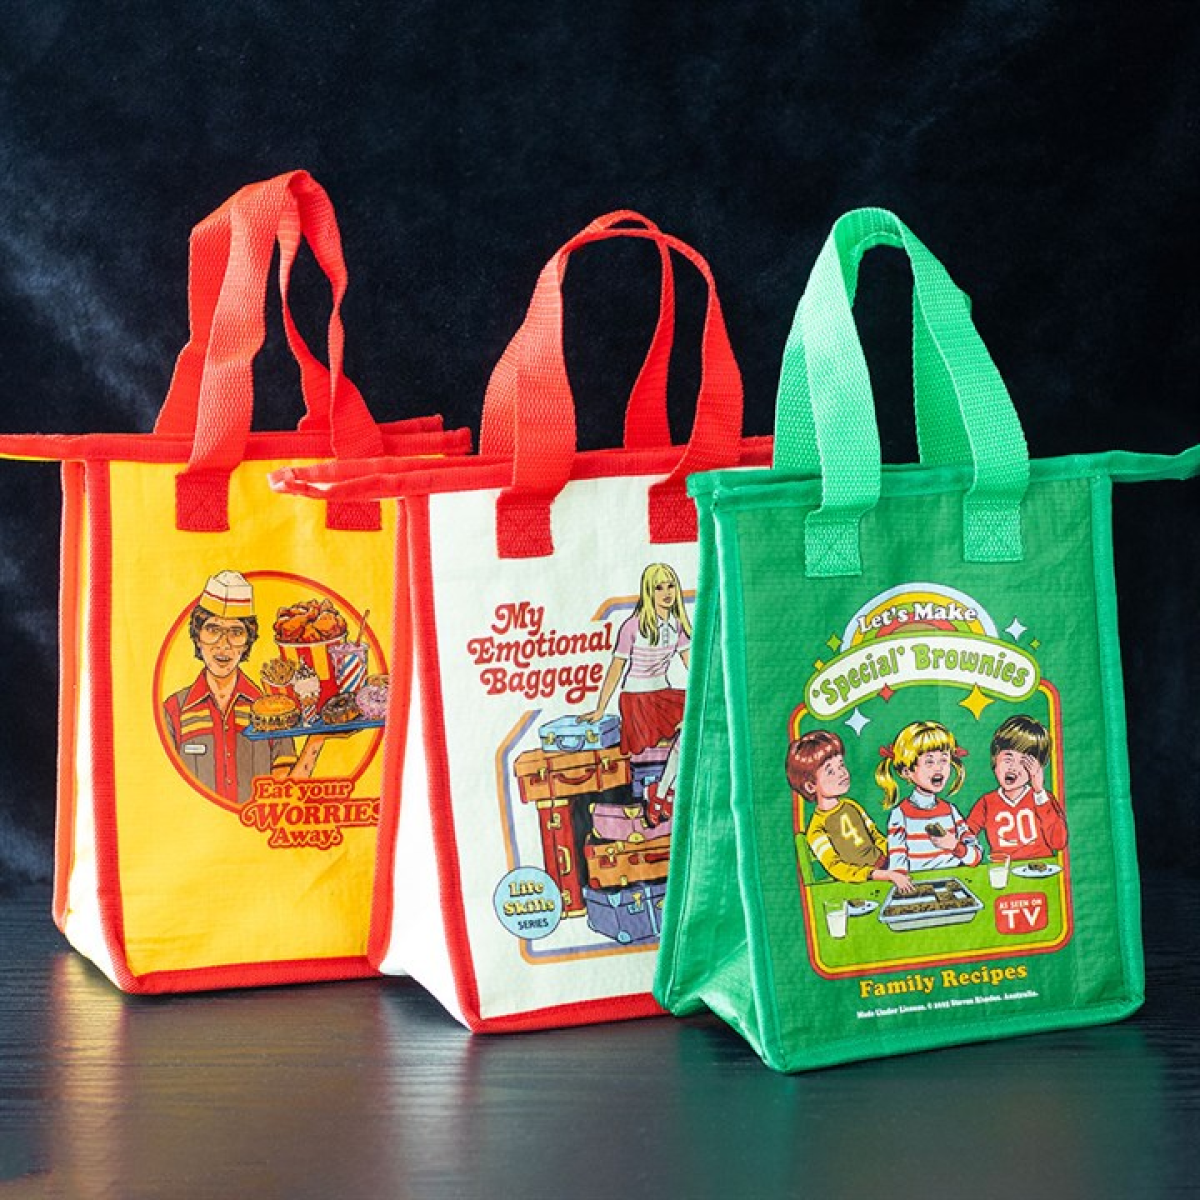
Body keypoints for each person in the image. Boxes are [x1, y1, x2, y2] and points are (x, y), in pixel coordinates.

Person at [162, 570, 324, 805]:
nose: (223, 645)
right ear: (197, 636)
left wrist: (317, 739)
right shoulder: (173, 710)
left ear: (248, 641)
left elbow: (287, 794)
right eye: (213, 630)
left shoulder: (271, 713)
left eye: (236, 632)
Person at [584, 563, 691, 757]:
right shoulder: (633, 626)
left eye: (670, 586)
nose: (666, 592)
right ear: (649, 592)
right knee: (684, 724)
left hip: (662, 694)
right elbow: (616, 669)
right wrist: (600, 709)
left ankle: (676, 769)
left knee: (702, 709)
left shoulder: (678, 625)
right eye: (659, 588)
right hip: (637, 700)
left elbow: (692, 666)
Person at [786, 729, 914, 892]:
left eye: (841, 765)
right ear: (811, 786)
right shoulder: (816, 829)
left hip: (887, 866)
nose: (842, 773)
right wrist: (879, 874)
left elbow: (875, 836)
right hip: (861, 884)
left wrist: (897, 855)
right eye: (830, 771)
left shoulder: (851, 806)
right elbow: (837, 868)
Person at [876, 720, 982, 874]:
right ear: (907, 771)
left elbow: (976, 856)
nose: (938, 767)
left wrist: (955, 846)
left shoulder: (951, 811)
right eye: (929, 762)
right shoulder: (900, 815)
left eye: (944, 760)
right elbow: (898, 865)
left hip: (955, 881)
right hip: (919, 885)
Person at [966, 715, 1068, 860]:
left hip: (1041, 869)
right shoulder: (987, 802)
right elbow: (967, 834)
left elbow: (1059, 842)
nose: (1013, 767)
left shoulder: (1043, 799)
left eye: (1024, 762)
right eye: (1008, 758)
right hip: (1005, 870)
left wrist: (1039, 791)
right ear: (995, 759)